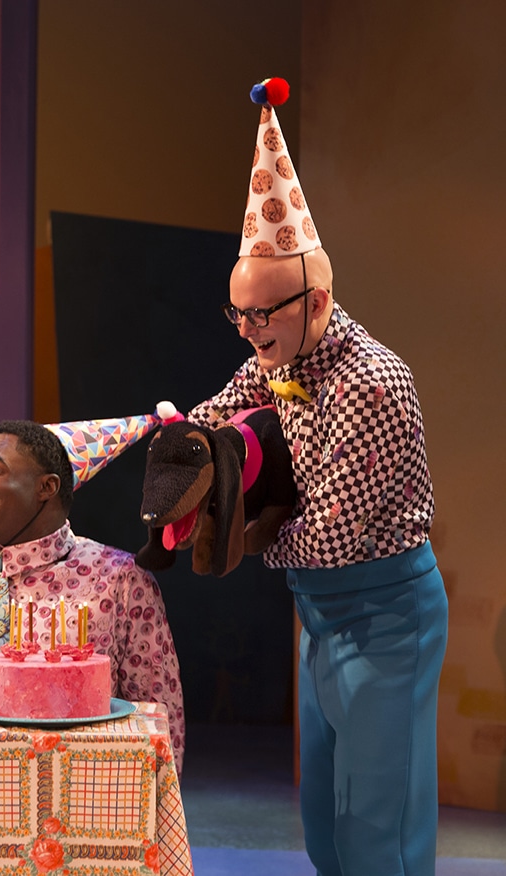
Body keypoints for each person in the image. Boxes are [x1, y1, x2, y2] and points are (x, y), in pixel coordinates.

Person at [186, 78, 447, 876]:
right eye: (239, 315)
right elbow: (220, 410)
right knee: (324, 824)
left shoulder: (371, 381)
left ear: (318, 299)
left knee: (379, 827)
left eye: (263, 315)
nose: (250, 331)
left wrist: (243, 532)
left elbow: (333, 532)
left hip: (384, 612)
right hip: (322, 617)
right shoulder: (277, 355)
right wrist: (176, 444)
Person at [0, 418, 185, 776]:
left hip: (82, 795)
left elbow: (158, 715)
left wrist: (158, 805)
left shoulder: (119, 577)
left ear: (46, 487)